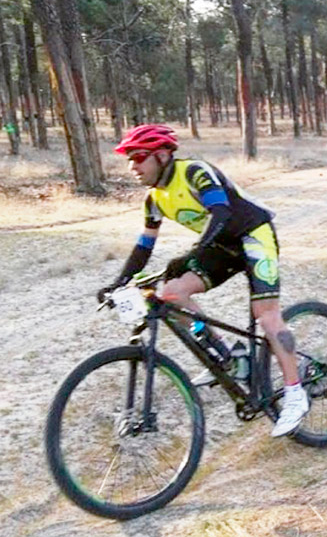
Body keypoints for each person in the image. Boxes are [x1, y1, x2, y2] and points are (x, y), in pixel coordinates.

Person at [99, 124, 308, 437]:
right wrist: (118, 283)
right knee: (172, 292)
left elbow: (220, 212)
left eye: (139, 157)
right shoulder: (154, 199)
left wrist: (191, 254)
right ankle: (228, 356)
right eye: (129, 159)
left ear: (162, 154)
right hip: (221, 247)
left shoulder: (195, 172)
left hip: (253, 235)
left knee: (266, 316)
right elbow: (144, 245)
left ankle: (295, 394)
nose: (133, 166)